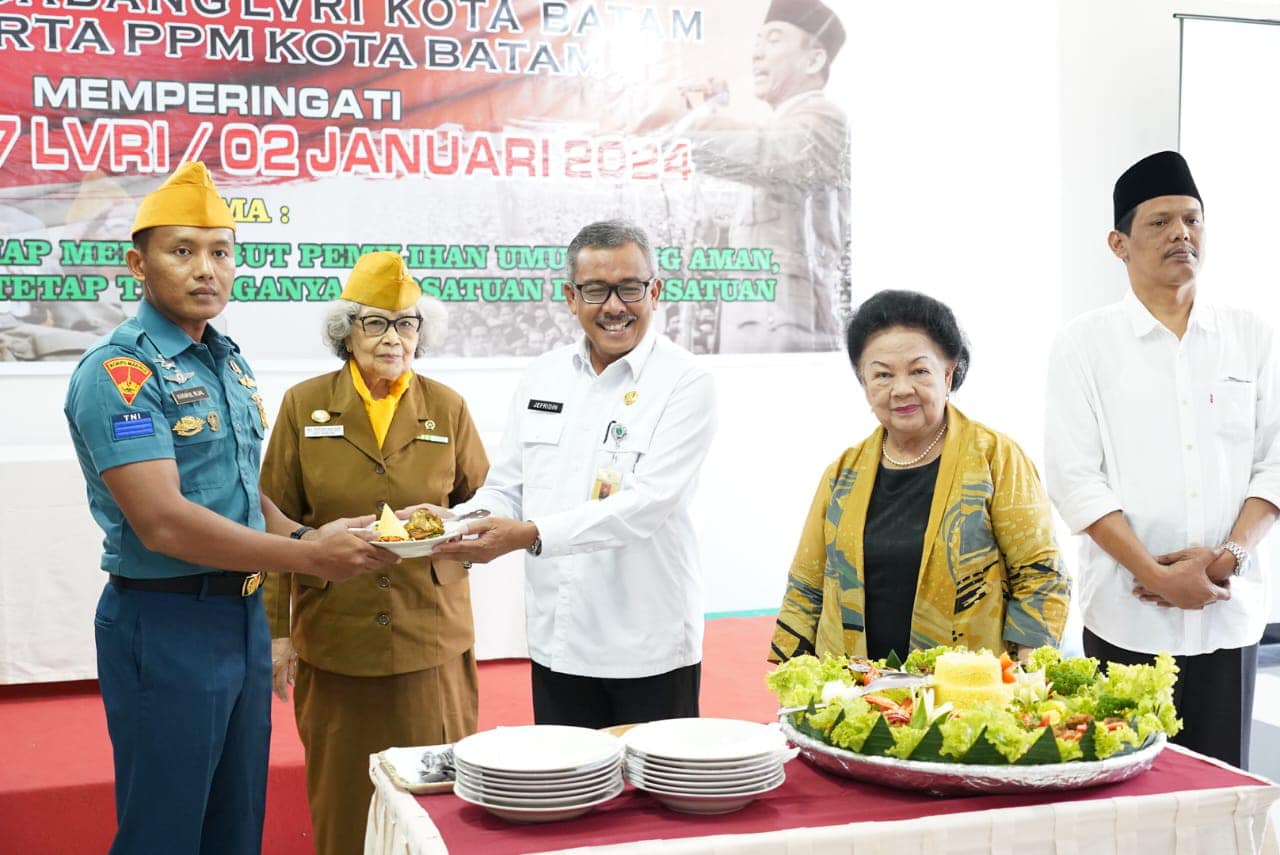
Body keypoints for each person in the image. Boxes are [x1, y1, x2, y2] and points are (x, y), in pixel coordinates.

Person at [62, 162, 396, 855]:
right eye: (182, 251)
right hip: (166, 622)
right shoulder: (121, 371)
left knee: (235, 826)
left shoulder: (225, 361)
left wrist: (306, 534)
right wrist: (308, 559)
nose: (205, 269)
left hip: (240, 619)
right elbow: (163, 521)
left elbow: (239, 489)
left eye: (220, 252)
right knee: (165, 831)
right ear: (138, 264)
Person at [431, 219, 718, 729]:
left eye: (630, 288)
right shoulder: (543, 375)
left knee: (653, 779)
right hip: (557, 638)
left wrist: (530, 535)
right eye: (596, 290)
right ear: (570, 297)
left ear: (655, 292)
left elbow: (647, 503)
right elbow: (507, 487)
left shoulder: (685, 381)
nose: (614, 306)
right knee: (568, 776)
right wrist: (449, 523)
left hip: (647, 643)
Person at [1044, 151, 1280, 768]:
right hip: (1127, 620)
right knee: (1125, 795)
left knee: (1222, 795)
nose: (1182, 233)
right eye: (1160, 222)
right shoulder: (1083, 346)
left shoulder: (1251, 335)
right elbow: (1075, 480)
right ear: (1118, 244)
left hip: (1228, 616)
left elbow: (1276, 463)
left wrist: (1227, 558)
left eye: (1192, 219)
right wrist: (1155, 574)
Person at [260, 251, 489, 855]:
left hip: (430, 634)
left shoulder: (447, 407)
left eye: (406, 323)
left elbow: (486, 502)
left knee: (437, 801)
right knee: (345, 801)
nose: (394, 337)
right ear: (347, 331)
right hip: (337, 634)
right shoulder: (303, 405)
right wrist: (277, 633)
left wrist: (455, 526)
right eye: (376, 323)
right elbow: (273, 524)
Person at [770, 290, 1069, 664]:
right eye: (882, 374)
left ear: (948, 374)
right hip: (854, 685)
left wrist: (1027, 673)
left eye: (918, 371)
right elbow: (806, 586)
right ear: (864, 382)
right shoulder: (843, 472)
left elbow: (1039, 575)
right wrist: (795, 678)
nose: (901, 389)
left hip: (964, 687)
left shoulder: (996, 457)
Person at [637, 0, 849, 354]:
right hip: (758, 320)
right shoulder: (781, 127)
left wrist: (691, 120)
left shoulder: (826, 120)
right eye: (757, 42)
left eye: (774, 40)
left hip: (788, 323)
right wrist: (711, 110)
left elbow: (765, 152)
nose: (757, 54)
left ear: (813, 61)